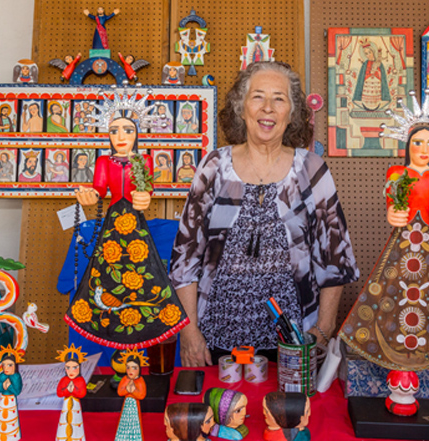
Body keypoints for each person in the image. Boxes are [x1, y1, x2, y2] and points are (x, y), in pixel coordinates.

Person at [170, 61, 358, 366]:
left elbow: (335, 258)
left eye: (279, 99)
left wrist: (322, 332)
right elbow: (185, 257)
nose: (268, 108)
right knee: (222, 413)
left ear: (292, 113)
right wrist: (190, 332)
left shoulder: (311, 169)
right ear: (241, 108)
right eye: (258, 96)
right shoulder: (214, 166)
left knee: (287, 415)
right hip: (215, 342)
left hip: (294, 343)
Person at [339, 90, 429, 373]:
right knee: (392, 290)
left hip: (425, 240)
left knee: (428, 293)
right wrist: (392, 213)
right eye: (419, 142)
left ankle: (421, 349)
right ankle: (389, 344)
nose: (425, 149)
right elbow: (392, 202)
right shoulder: (397, 172)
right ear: (408, 142)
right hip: (403, 240)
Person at [66, 107, 188, 348]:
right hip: (114, 219)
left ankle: (146, 318)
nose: (120, 136)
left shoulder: (144, 160)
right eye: (114, 131)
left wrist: (144, 197)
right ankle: (105, 319)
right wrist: (90, 195)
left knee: (144, 267)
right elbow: (100, 189)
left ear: (137, 134)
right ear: (108, 135)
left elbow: (147, 189)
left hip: (134, 222)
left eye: (128, 130)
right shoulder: (103, 161)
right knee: (106, 268)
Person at [0, 346, 24, 441]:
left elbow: (17, 391)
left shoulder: (16, 377)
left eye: (10, 365)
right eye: (4, 365)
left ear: (15, 365)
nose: (6, 368)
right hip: (3, 400)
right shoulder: (2, 376)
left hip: (11, 401)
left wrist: (9, 386)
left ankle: (12, 435)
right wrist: (3, 386)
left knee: (11, 421)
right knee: (1, 419)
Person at [55, 345, 88, 441]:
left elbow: (82, 393)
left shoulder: (80, 380)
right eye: (68, 367)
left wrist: (72, 391)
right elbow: (59, 393)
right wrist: (68, 390)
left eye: (74, 367)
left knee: (76, 424)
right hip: (66, 405)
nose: (71, 371)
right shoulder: (64, 380)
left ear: (79, 367)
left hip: (76, 406)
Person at [115, 350, 147, 441]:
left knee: (135, 424)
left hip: (134, 407)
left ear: (139, 368)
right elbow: (120, 392)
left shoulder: (140, 381)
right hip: (126, 407)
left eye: (134, 368)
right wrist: (127, 390)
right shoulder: (125, 379)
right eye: (128, 367)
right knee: (124, 424)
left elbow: (141, 395)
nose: (130, 371)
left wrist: (133, 391)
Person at [352, 41, 390, 111]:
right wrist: (369, 75)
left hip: (377, 88)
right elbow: (362, 78)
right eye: (366, 53)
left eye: (369, 52)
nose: (368, 55)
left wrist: (377, 73)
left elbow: (383, 78)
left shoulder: (379, 64)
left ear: (373, 52)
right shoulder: (365, 65)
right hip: (367, 88)